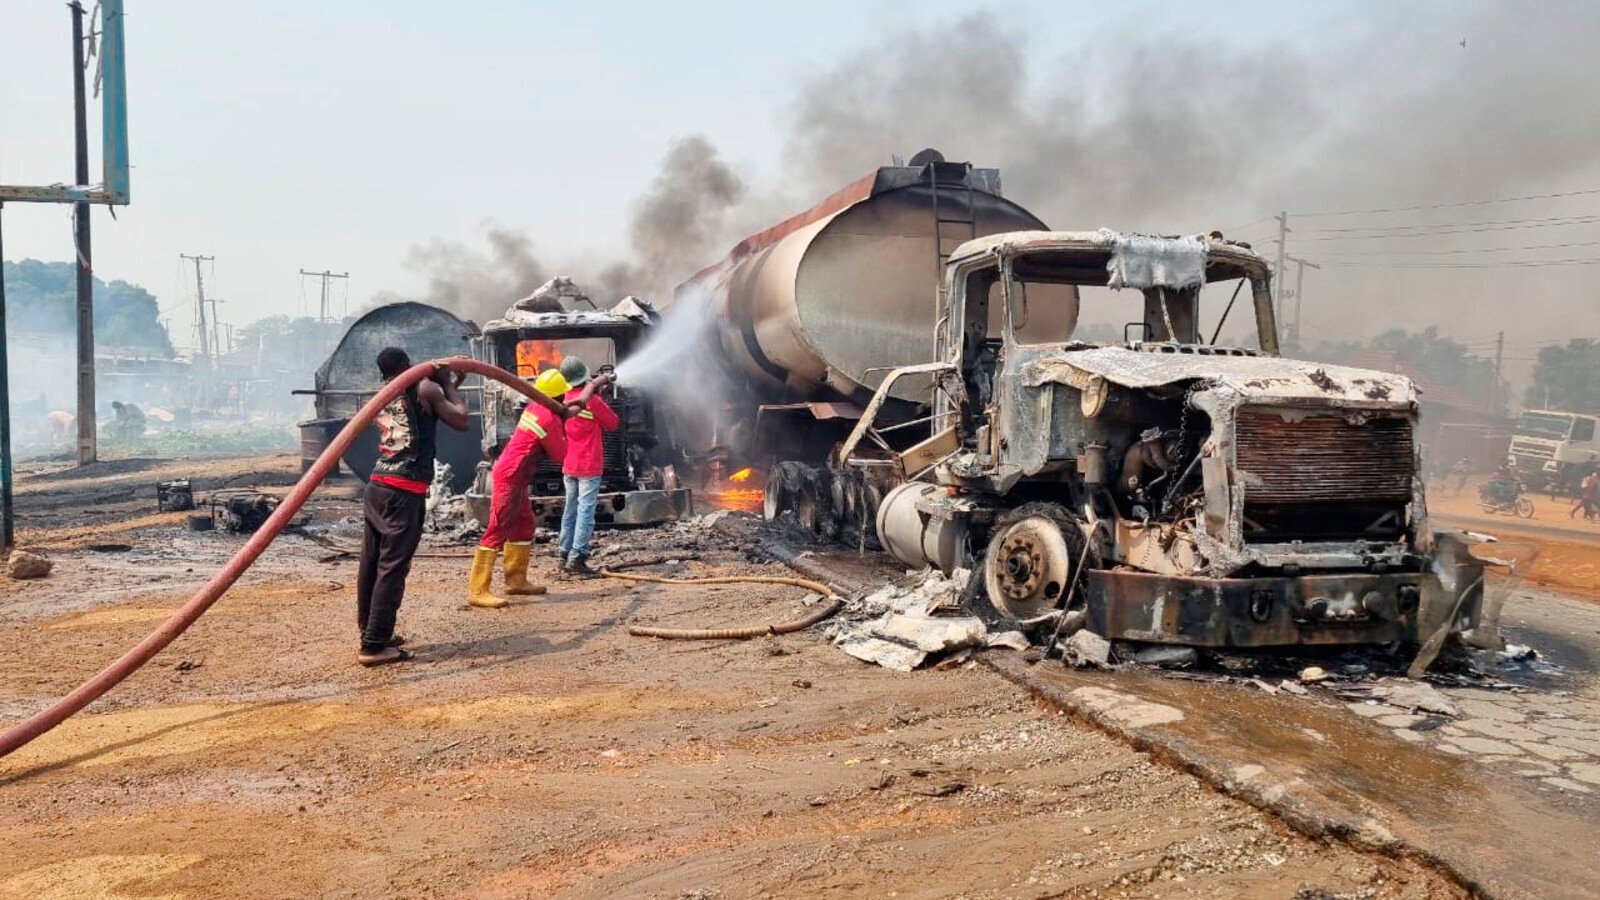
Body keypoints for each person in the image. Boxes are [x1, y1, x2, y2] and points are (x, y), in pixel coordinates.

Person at [356, 348, 469, 666]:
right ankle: (375, 646)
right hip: (403, 491)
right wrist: (447, 384)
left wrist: (448, 385)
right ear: (409, 365)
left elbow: (424, 413)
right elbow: (461, 420)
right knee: (392, 567)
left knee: (372, 564)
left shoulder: (385, 392)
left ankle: (371, 631)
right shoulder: (425, 388)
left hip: (377, 484)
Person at [470, 368, 571, 609]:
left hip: (516, 475)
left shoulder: (537, 408)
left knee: (524, 526)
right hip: (511, 476)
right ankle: (478, 589)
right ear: (558, 397)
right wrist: (567, 424)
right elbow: (561, 455)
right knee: (498, 528)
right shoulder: (549, 418)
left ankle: (516, 580)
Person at [557, 357, 619, 576]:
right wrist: (599, 395)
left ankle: (564, 554)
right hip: (589, 464)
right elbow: (612, 423)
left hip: (569, 463)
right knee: (585, 511)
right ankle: (578, 557)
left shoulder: (566, 398)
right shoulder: (591, 401)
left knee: (570, 510)